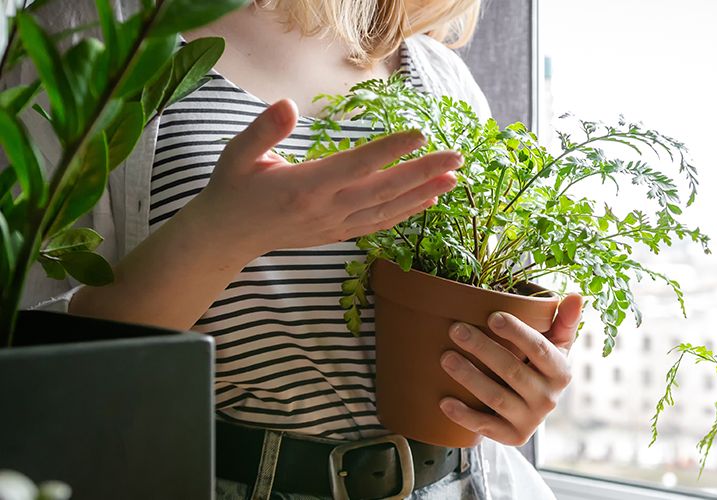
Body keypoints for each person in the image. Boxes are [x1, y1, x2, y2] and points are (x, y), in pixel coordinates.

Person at [19, 0, 582, 498]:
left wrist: (515, 386)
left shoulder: (437, 74)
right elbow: (28, 371)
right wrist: (221, 232)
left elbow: (486, 309)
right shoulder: (91, 27)